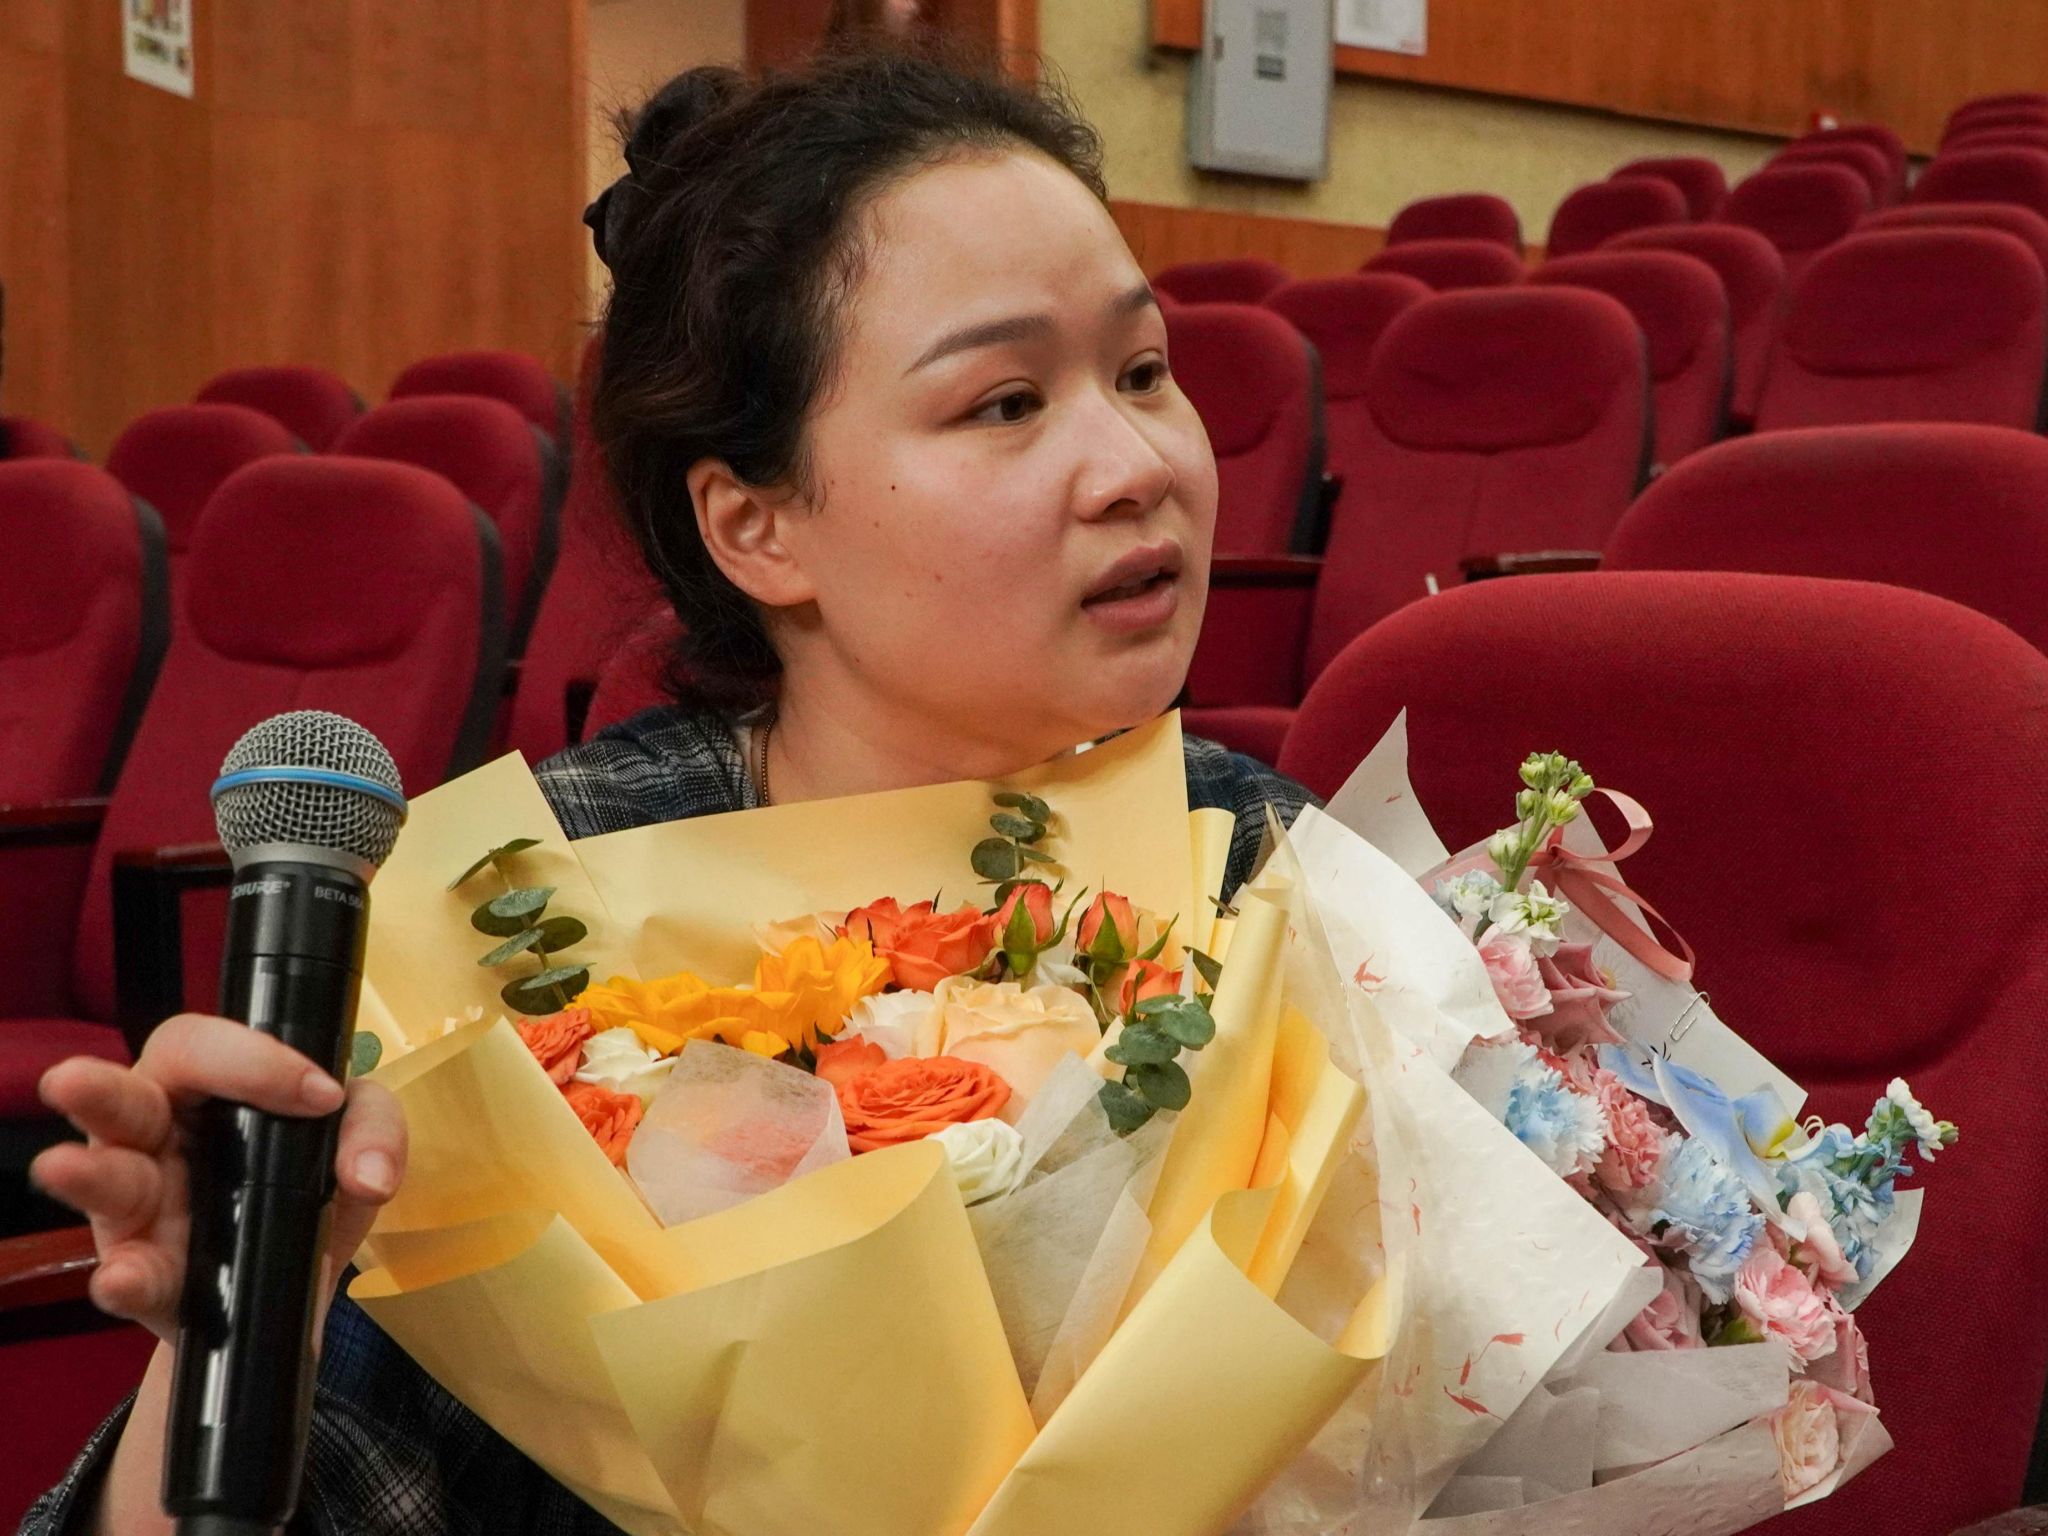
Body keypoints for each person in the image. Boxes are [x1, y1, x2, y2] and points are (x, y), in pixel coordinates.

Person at [22, 47, 1314, 1535]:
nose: (1137, 463)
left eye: (1144, 372)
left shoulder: (1270, 873)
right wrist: (242, 1326)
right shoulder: (521, 925)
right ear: (757, 529)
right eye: (1007, 401)